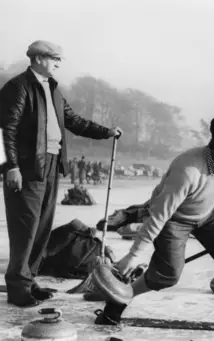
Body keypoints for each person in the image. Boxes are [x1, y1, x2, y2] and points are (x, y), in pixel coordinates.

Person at [94, 117, 214, 327]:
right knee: (167, 275)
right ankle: (119, 299)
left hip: (206, 214)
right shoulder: (188, 170)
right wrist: (133, 256)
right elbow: (160, 215)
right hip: (174, 218)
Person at [0, 40, 122, 308]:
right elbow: (5, 130)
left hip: (52, 165)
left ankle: (29, 281)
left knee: (42, 228)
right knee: (25, 229)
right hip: (28, 168)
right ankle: (18, 288)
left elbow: (74, 121)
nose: (59, 63)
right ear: (39, 58)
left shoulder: (53, 88)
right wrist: (11, 167)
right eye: (55, 58)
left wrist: (107, 132)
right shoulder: (18, 87)